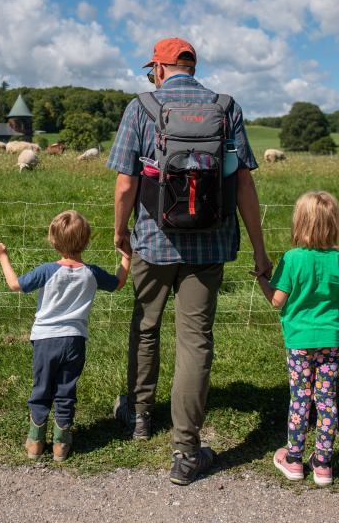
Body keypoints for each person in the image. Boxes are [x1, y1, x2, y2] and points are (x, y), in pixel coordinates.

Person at [107, 37, 272, 485]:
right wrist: (259, 248)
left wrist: (122, 234)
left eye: (151, 70)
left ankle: (140, 416)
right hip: (211, 243)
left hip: (153, 241)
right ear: (191, 67)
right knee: (195, 340)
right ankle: (186, 451)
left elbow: (125, 184)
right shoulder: (226, 107)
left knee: (145, 325)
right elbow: (242, 185)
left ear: (160, 69)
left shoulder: (141, 107)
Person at [255, 191, 339, 485]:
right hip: (331, 341)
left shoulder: (292, 259)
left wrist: (262, 278)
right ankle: (323, 463)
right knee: (326, 399)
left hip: (299, 342)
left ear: (299, 223)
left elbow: (277, 301)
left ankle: (293, 459)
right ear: (334, 224)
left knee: (300, 398)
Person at [0, 210, 130, 462]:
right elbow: (117, 284)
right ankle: (61, 444)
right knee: (66, 389)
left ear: (53, 241)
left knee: (41, 387)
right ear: (87, 241)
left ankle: (35, 441)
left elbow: (15, 284)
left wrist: (2, 256)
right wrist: (126, 259)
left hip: (45, 340)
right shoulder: (92, 273)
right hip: (75, 340)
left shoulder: (47, 271)